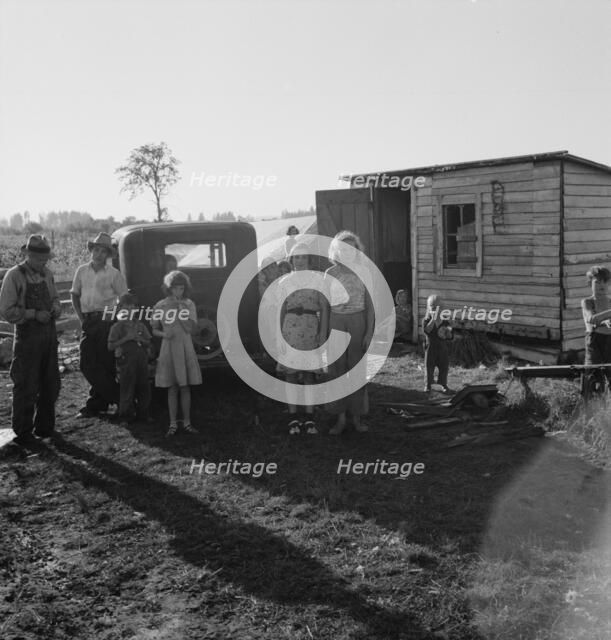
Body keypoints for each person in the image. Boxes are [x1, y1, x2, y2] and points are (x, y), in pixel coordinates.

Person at [0, 235, 61, 446]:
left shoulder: (47, 274)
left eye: (45, 260)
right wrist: (34, 314)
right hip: (27, 340)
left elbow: (54, 298)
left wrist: (56, 308)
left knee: (51, 384)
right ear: (29, 255)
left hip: (49, 338)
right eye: (39, 259)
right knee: (26, 385)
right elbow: (6, 311)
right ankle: (23, 432)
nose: (43, 263)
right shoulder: (14, 276)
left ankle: (45, 427)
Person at [71, 232, 128, 417]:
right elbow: (74, 295)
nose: (99, 254)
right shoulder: (81, 271)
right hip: (89, 320)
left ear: (108, 254)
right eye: (96, 250)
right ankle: (120, 398)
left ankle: (96, 404)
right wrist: (81, 319)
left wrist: (111, 318)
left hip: (106, 320)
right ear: (91, 250)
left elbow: (124, 299)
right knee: (86, 363)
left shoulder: (114, 274)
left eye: (103, 251)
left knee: (105, 364)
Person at [322, 230, 373, 435]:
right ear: (336, 251)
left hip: (357, 322)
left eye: (352, 247)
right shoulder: (329, 274)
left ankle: (357, 418)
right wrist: (324, 335)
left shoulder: (365, 272)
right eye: (343, 248)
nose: (348, 251)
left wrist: (369, 332)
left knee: (357, 372)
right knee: (337, 372)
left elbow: (370, 306)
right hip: (336, 322)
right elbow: (325, 307)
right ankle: (340, 418)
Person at [276, 243, 326, 435]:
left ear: (309, 259)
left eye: (304, 257)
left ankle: (310, 417)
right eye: (296, 257)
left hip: (310, 327)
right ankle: (293, 417)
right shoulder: (283, 282)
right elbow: (281, 309)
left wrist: (322, 331)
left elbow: (323, 306)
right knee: (290, 374)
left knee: (308, 375)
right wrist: (279, 335)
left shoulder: (318, 280)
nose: (300, 260)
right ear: (292, 259)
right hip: (289, 328)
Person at [152, 270, 202, 436]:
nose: (178, 292)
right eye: (174, 288)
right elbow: (154, 329)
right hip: (169, 346)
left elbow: (191, 329)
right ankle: (173, 423)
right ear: (168, 288)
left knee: (185, 385)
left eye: (181, 288)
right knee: (172, 387)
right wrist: (164, 334)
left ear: (185, 289)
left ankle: (187, 422)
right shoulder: (160, 305)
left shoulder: (189, 304)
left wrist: (181, 313)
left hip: (185, 346)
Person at [107, 292, 152, 427]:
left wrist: (140, 339)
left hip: (141, 359)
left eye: (132, 307)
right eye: (126, 307)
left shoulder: (140, 325)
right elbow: (110, 346)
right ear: (120, 309)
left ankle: (143, 414)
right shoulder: (117, 327)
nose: (129, 310)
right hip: (126, 361)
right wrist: (126, 338)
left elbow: (149, 342)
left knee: (144, 386)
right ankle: (125, 416)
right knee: (127, 387)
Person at [422, 294, 453, 394]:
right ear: (428, 308)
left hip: (442, 348)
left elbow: (450, 335)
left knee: (444, 367)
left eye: (439, 308)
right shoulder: (426, 320)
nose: (436, 310)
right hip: (431, 348)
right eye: (433, 307)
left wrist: (448, 333)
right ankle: (428, 385)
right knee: (429, 367)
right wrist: (433, 320)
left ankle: (442, 384)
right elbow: (427, 330)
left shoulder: (445, 322)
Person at [581, 266, 611, 367]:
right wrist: (604, 321)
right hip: (595, 340)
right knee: (593, 371)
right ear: (590, 284)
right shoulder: (588, 302)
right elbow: (591, 319)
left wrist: (606, 321)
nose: (601, 285)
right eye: (597, 282)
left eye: (605, 282)